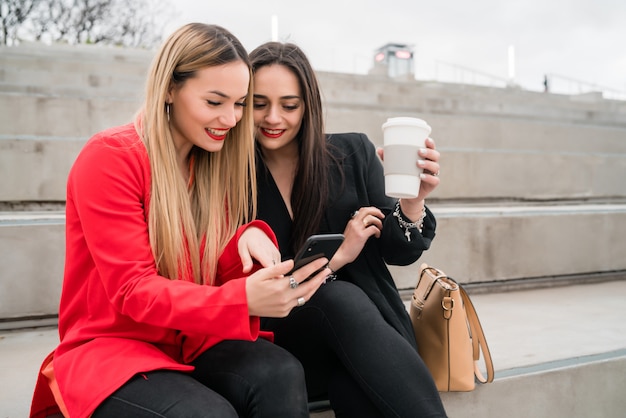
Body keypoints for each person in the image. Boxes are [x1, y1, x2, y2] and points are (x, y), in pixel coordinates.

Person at [29, 24, 331, 418]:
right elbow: (133, 290)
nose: (231, 118)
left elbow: (201, 264)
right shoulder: (109, 158)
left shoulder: (209, 162)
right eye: (215, 101)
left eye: (240, 103)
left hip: (189, 339)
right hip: (113, 348)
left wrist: (247, 237)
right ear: (170, 88)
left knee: (282, 372)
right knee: (205, 413)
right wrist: (241, 299)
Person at [249, 42, 448, 417]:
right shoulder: (230, 179)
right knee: (340, 298)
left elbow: (399, 251)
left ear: (308, 106)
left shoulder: (352, 154)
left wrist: (412, 202)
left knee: (360, 393)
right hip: (283, 341)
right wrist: (339, 258)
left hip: (367, 342)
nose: (273, 118)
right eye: (259, 103)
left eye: (289, 105)